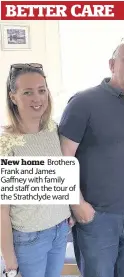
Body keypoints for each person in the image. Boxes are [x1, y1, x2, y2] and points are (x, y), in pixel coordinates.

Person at [58, 39, 124, 277]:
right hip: (98, 218)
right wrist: (77, 204)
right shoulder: (83, 102)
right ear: (112, 64)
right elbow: (62, 156)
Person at [0, 63, 72, 277]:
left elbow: (59, 176)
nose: (37, 98)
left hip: (60, 231)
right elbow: (2, 210)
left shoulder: (53, 129)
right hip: (29, 239)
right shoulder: (6, 144)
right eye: (28, 92)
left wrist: (68, 209)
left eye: (42, 90)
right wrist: (10, 264)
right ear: (13, 97)